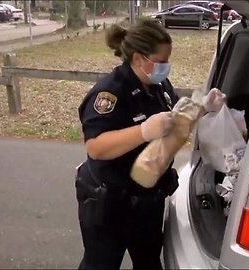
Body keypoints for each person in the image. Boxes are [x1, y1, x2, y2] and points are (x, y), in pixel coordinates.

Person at [75, 20, 179, 269]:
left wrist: (202, 107)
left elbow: (173, 114)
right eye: (160, 61)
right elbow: (97, 148)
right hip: (111, 203)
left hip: (147, 201)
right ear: (138, 58)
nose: (165, 67)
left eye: (167, 60)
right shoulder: (110, 93)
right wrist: (143, 131)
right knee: (101, 264)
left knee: (149, 263)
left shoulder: (158, 86)